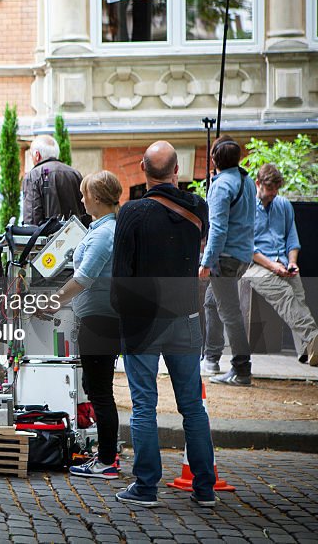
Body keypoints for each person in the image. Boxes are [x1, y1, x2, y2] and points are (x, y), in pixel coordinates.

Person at [111, 141, 215, 509]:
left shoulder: (132, 213)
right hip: (185, 315)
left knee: (144, 406)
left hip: (142, 319)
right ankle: (204, 487)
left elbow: (121, 273)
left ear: (142, 168)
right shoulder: (197, 208)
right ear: (177, 171)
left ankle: (146, 486)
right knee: (192, 407)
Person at [41, 170, 123, 480]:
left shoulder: (104, 234)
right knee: (95, 386)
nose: (81, 198)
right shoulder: (102, 228)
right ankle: (107, 456)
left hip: (99, 321)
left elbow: (84, 278)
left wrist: (53, 302)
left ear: (98, 198)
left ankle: (106, 461)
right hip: (98, 317)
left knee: (100, 391)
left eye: (85, 194)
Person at [244, 164, 318, 366]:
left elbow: (292, 241)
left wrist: (292, 263)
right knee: (285, 295)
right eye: (270, 189)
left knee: (298, 297)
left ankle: (307, 352)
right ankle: (314, 338)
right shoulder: (246, 208)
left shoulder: (283, 205)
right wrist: (271, 266)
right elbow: (247, 247)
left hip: (283, 263)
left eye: (276, 189)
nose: (273, 194)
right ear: (258, 184)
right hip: (255, 265)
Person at [200, 136, 256, 386]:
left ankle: (241, 370)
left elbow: (218, 229)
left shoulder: (221, 186)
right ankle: (210, 358)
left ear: (214, 159)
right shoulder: (247, 180)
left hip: (225, 259)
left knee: (230, 313)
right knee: (212, 302)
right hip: (242, 256)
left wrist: (207, 261)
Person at [21, 134, 87, 225]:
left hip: (46, 237)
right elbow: (85, 213)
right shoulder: (75, 174)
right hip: (75, 236)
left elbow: (32, 219)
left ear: (37, 155)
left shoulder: (33, 176)